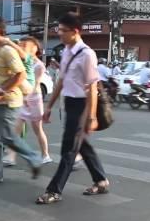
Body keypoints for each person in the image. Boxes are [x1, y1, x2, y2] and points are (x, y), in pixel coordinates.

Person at [35, 12, 108, 205]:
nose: (59, 34)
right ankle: (101, 180)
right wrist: (49, 105)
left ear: (75, 32)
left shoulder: (87, 55)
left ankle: (54, 190)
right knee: (81, 145)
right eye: (58, 30)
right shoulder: (66, 51)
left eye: (62, 31)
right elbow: (61, 80)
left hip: (83, 105)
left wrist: (91, 116)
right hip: (70, 103)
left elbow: (93, 87)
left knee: (69, 149)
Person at [0, 17, 42, 184]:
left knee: (7, 136)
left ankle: (34, 158)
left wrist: (2, 90)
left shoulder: (7, 50)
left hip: (9, 101)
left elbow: (21, 74)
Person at [0, 36, 53, 166]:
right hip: (23, 99)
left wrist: (27, 97)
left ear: (34, 48)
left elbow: (36, 83)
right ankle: (11, 156)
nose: (22, 47)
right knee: (16, 129)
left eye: (25, 45)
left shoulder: (39, 65)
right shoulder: (22, 61)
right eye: (22, 45)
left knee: (38, 129)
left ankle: (45, 154)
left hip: (34, 99)